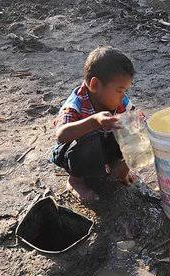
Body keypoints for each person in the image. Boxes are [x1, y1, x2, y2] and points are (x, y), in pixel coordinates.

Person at [50, 46, 136, 201]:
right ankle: (75, 181)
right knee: (91, 139)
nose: (123, 96)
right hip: (74, 152)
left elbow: (134, 125)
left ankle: (116, 168)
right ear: (95, 85)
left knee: (131, 132)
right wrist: (94, 121)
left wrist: (126, 162)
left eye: (125, 91)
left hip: (102, 144)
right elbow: (61, 135)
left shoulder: (120, 101)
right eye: (120, 90)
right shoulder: (76, 104)